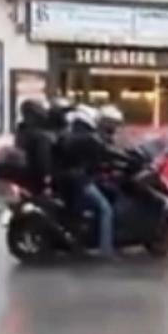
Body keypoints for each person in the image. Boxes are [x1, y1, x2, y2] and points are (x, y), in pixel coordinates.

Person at [54, 105, 126, 259]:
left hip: (70, 180)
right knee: (106, 209)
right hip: (80, 181)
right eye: (110, 124)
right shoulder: (88, 138)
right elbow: (106, 154)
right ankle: (106, 250)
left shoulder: (72, 136)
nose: (111, 128)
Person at [13, 99, 55, 196]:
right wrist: (47, 179)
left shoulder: (21, 132)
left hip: (23, 178)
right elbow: (43, 161)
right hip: (36, 181)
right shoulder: (41, 136)